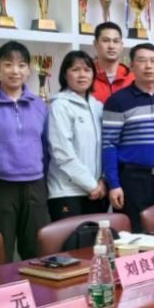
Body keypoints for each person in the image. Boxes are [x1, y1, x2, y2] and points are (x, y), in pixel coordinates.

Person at [0, 41, 49, 260]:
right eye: (8, 64)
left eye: (21, 65)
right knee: (0, 252)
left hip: (35, 185)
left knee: (36, 251)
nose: (15, 71)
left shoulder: (39, 104)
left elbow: (45, 146)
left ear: (29, 69)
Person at [102, 43, 154, 232]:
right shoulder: (117, 101)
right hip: (132, 180)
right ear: (131, 65)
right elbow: (109, 145)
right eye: (142, 60)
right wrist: (113, 184)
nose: (148, 66)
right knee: (135, 237)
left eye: (153, 61)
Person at [47, 51, 107, 221]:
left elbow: (106, 147)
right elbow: (62, 153)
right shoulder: (59, 106)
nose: (82, 75)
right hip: (67, 192)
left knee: (97, 238)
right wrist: (91, 185)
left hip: (97, 192)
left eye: (87, 70)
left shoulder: (98, 107)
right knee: (70, 238)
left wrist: (103, 181)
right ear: (65, 75)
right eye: (75, 70)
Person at [90, 22, 133, 103]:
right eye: (105, 41)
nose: (111, 46)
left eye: (116, 41)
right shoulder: (86, 77)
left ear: (121, 45)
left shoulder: (133, 79)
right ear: (95, 44)